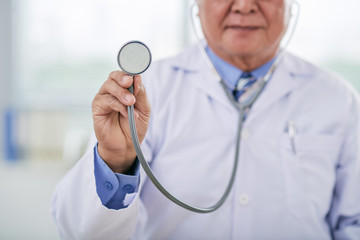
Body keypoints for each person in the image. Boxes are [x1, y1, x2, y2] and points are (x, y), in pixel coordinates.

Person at [51, 0, 360, 239]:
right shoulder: (143, 94)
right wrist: (116, 161)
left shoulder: (337, 98)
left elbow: (353, 223)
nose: (243, 5)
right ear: (196, 6)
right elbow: (82, 232)